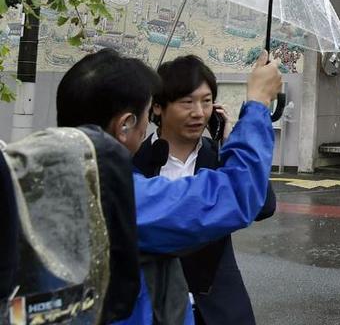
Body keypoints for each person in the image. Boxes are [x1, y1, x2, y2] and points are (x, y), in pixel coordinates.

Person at [55, 48, 282, 324]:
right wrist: (258, 102)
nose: (198, 112)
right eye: (146, 112)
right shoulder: (120, 198)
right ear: (126, 125)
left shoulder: (38, 181)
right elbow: (237, 192)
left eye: (206, 101)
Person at [134, 55, 275, 325]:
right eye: (187, 102)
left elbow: (264, 206)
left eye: (207, 101)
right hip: (155, 307)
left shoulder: (223, 157)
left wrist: (231, 140)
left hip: (219, 307)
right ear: (158, 108)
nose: (198, 112)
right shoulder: (134, 161)